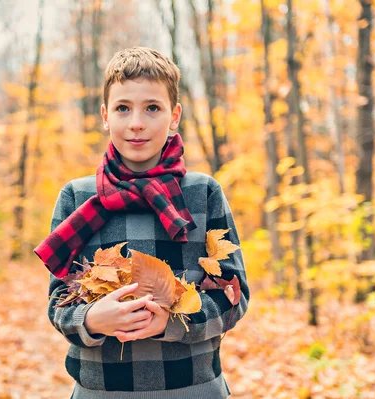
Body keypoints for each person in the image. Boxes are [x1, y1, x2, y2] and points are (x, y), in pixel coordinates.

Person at [34, 46, 249, 398]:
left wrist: (173, 322)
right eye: (123, 108)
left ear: (174, 115)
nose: (136, 122)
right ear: (105, 116)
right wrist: (89, 319)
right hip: (100, 390)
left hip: (194, 388)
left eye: (152, 108)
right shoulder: (76, 197)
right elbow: (58, 301)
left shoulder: (202, 193)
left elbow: (234, 298)